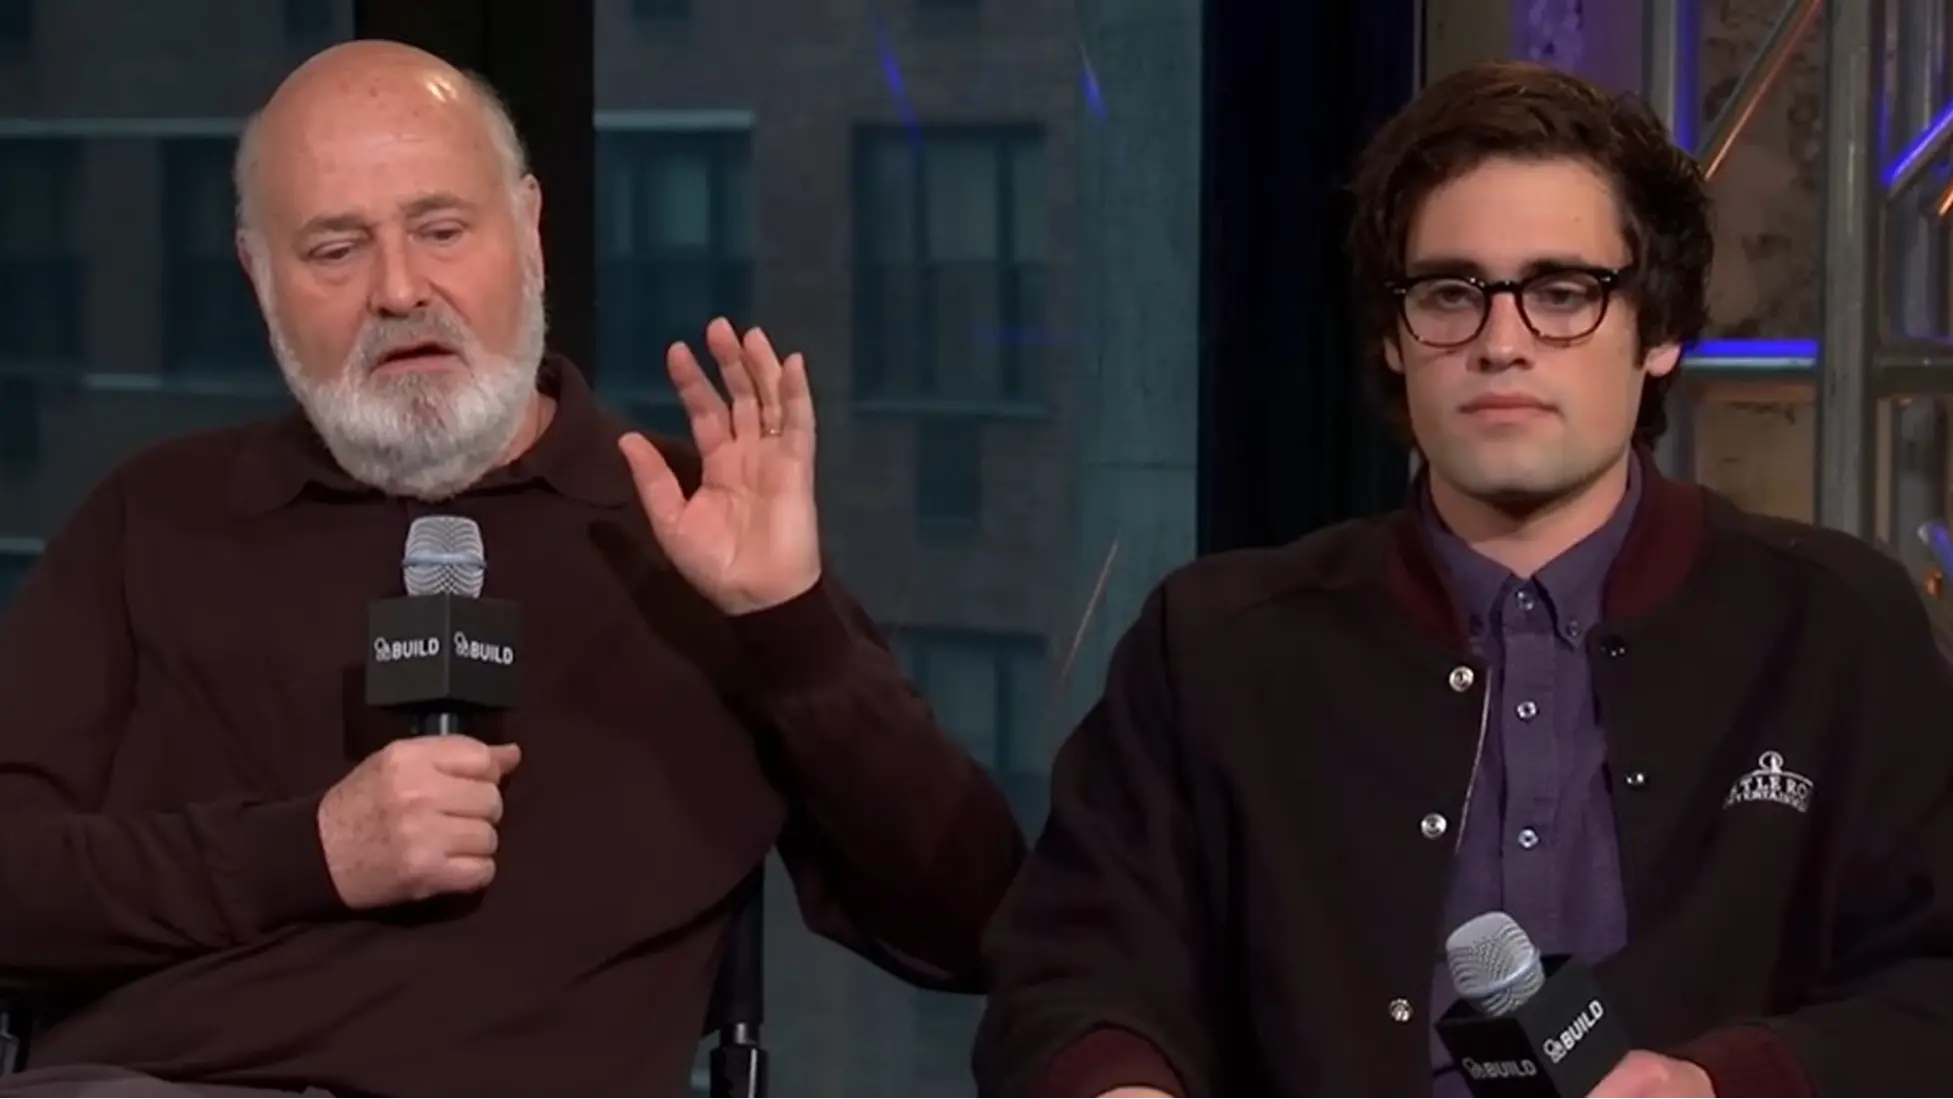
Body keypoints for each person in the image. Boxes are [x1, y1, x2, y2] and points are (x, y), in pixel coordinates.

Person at [0, 40, 1026, 1099]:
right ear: (262, 279)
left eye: (441, 230)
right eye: (334, 250)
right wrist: (309, 851)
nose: (400, 290)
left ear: (528, 231)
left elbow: (978, 926)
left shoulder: (693, 531)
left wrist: (792, 625)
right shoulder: (153, 519)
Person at [972, 59, 1953, 1099]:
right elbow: (1069, 974)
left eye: (1562, 293)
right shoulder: (1219, 644)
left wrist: (1718, 1086)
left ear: (1659, 332)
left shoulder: (1833, 627)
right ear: (1396, 340)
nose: (1501, 343)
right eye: (1450, 294)